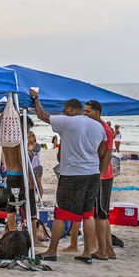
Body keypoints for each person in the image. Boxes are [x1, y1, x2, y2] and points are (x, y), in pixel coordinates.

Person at [34, 94, 107, 265]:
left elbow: (41, 115)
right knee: (87, 214)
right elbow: (101, 152)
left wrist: (36, 99)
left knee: (61, 214)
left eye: (65, 111)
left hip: (72, 173)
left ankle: (51, 251)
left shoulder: (68, 121)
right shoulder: (99, 126)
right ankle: (87, 253)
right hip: (92, 173)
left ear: (69, 110)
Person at [84, 100, 116, 261]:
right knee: (101, 214)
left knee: (100, 215)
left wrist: (99, 175)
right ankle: (108, 250)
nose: (84, 114)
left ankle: (102, 251)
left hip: (102, 176)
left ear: (97, 113)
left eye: (88, 111)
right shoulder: (97, 127)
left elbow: (108, 155)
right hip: (100, 175)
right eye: (83, 111)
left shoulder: (105, 129)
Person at [0, 116, 37, 233]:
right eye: (27, 128)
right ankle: (33, 237)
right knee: (30, 207)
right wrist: (30, 178)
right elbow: (21, 159)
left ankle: (12, 233)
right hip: (20, 175)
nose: (28, 131)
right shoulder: (20, 139)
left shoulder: (8, 138)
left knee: (11, 207)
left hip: (10, 174)